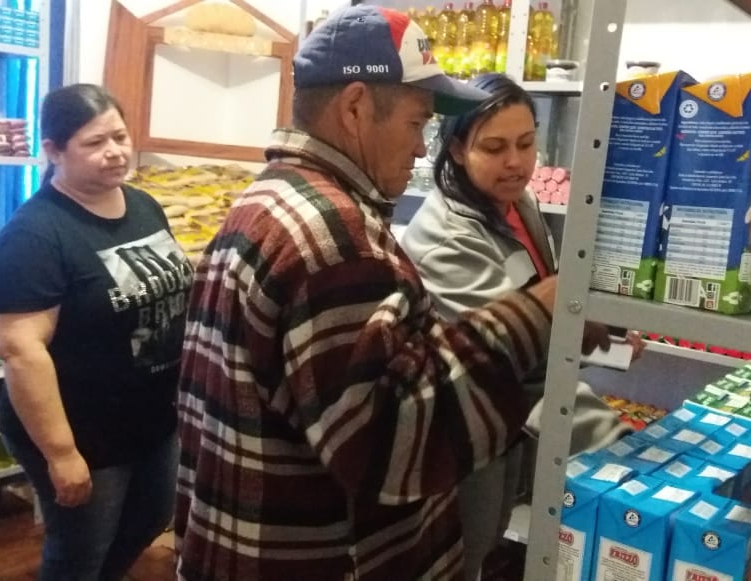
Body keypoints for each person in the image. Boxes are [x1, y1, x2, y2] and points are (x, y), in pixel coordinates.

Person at [174, 6, 610, 581]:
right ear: (355, 107)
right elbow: (392, 448)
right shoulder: (337, 240)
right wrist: (537, 313)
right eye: (416, 123)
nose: (424, 149)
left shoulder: (269, 198)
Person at [401, 73, 641, 579]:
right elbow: (515, 354)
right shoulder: (446, 237)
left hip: (509, 423)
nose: (516, 162)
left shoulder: (517, 204)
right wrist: (617, 444)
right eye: (494, 147)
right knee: (467, 547)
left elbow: (542, 296)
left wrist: (600, 332)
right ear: (458, 149)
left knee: (490, 542)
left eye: (527, 143)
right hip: (468, 428)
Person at [0, 84, 193, 581]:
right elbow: (19, 349)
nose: (115, 152)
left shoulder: (142, 205)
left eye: (120, 136)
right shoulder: (34, 236)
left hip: (149, 419)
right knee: (80, 550)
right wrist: (61, 453)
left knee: (148, 519)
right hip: (82, 431)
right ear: (54, 151)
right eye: (94, 143)